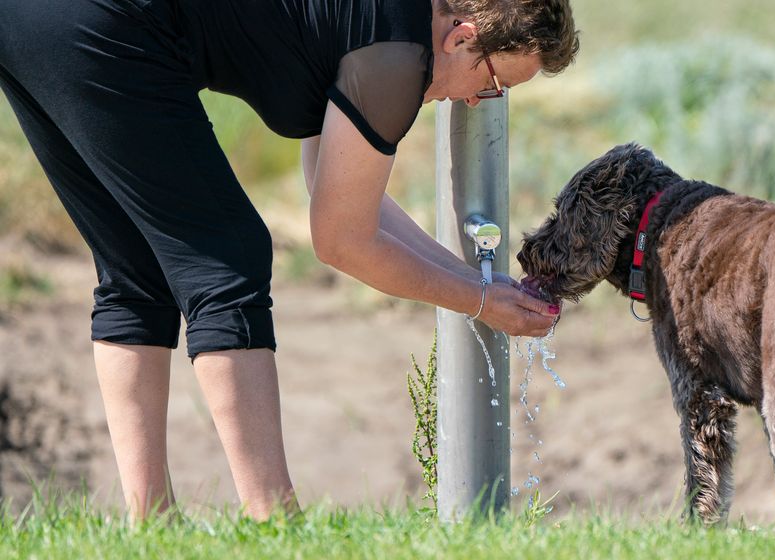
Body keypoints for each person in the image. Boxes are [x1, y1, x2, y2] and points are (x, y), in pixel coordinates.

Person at [0, 0, 578, 521]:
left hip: (29, 17)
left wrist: (479, 286)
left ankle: (150, 524)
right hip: (106, 22)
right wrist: (477, 300)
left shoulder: (379, 26)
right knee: (228, 262)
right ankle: (273, 522)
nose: (480, 100)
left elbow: (347, 203)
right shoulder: (398, 58)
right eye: (496, 80)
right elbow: (341, 242)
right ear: (460, 36)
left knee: (138, 272)